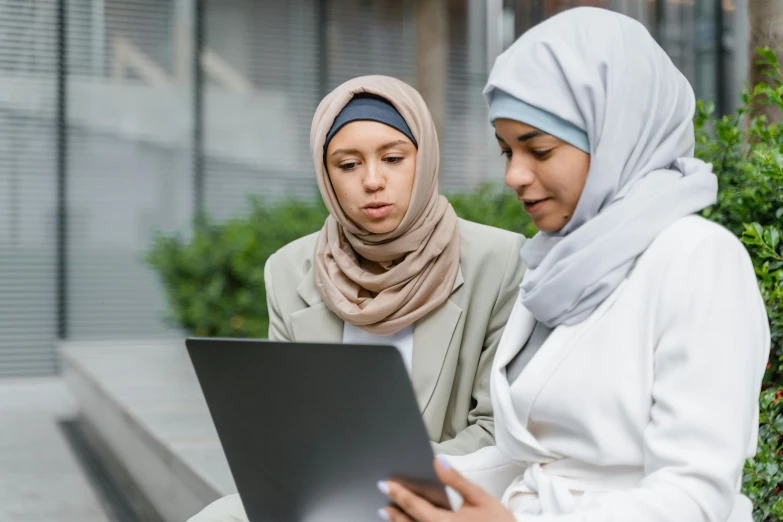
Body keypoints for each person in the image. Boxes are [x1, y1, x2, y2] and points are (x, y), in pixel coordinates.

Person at [378, 7, 770, 522]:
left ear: (615, 136)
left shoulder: (697, 259)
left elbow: (696, 500)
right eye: (505, 151)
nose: (514, 175)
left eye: (539, 150)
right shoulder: (555, 262)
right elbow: (536, 462)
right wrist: (396, 480)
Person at [188, 75, 527, 521]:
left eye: (392, 158)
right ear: (325, 175)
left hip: (442, 498)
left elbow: (495, 430)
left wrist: (380, 478)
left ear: (423, 160)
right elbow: (288, 424)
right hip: (326, 495)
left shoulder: (499, 261)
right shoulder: (289, 269)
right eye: (347, 165)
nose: (372, 181)